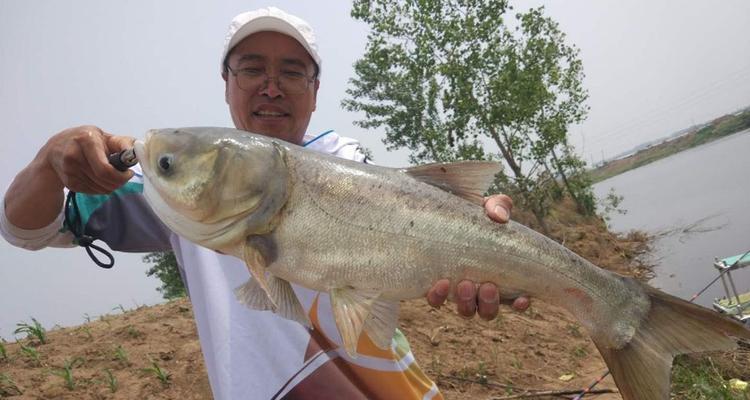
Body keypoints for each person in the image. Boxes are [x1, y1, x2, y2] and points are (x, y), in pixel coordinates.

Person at [1, 7, 528, 399]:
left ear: (315, 88)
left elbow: (420, 220)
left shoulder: (348, 160)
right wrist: (50, 160)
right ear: (227, 83)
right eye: (252, 69)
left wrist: (490, 242)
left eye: (292, 72)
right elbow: (26, 228)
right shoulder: (183, 187)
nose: (272, 87)